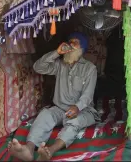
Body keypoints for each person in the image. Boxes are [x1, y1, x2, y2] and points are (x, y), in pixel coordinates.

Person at [8, 32, 100, 161]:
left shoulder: (90, 69)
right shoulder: (59, 64)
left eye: (76, 42)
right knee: (44, 115)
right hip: (60, 108)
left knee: (74, 122)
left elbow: (88, 95)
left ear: (82, 48)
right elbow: (38, 67)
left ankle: (49, 151)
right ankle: (28, 150)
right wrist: (56, 52)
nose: (71, 45)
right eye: (70, 42)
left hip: (83, 111)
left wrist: (77, 107)